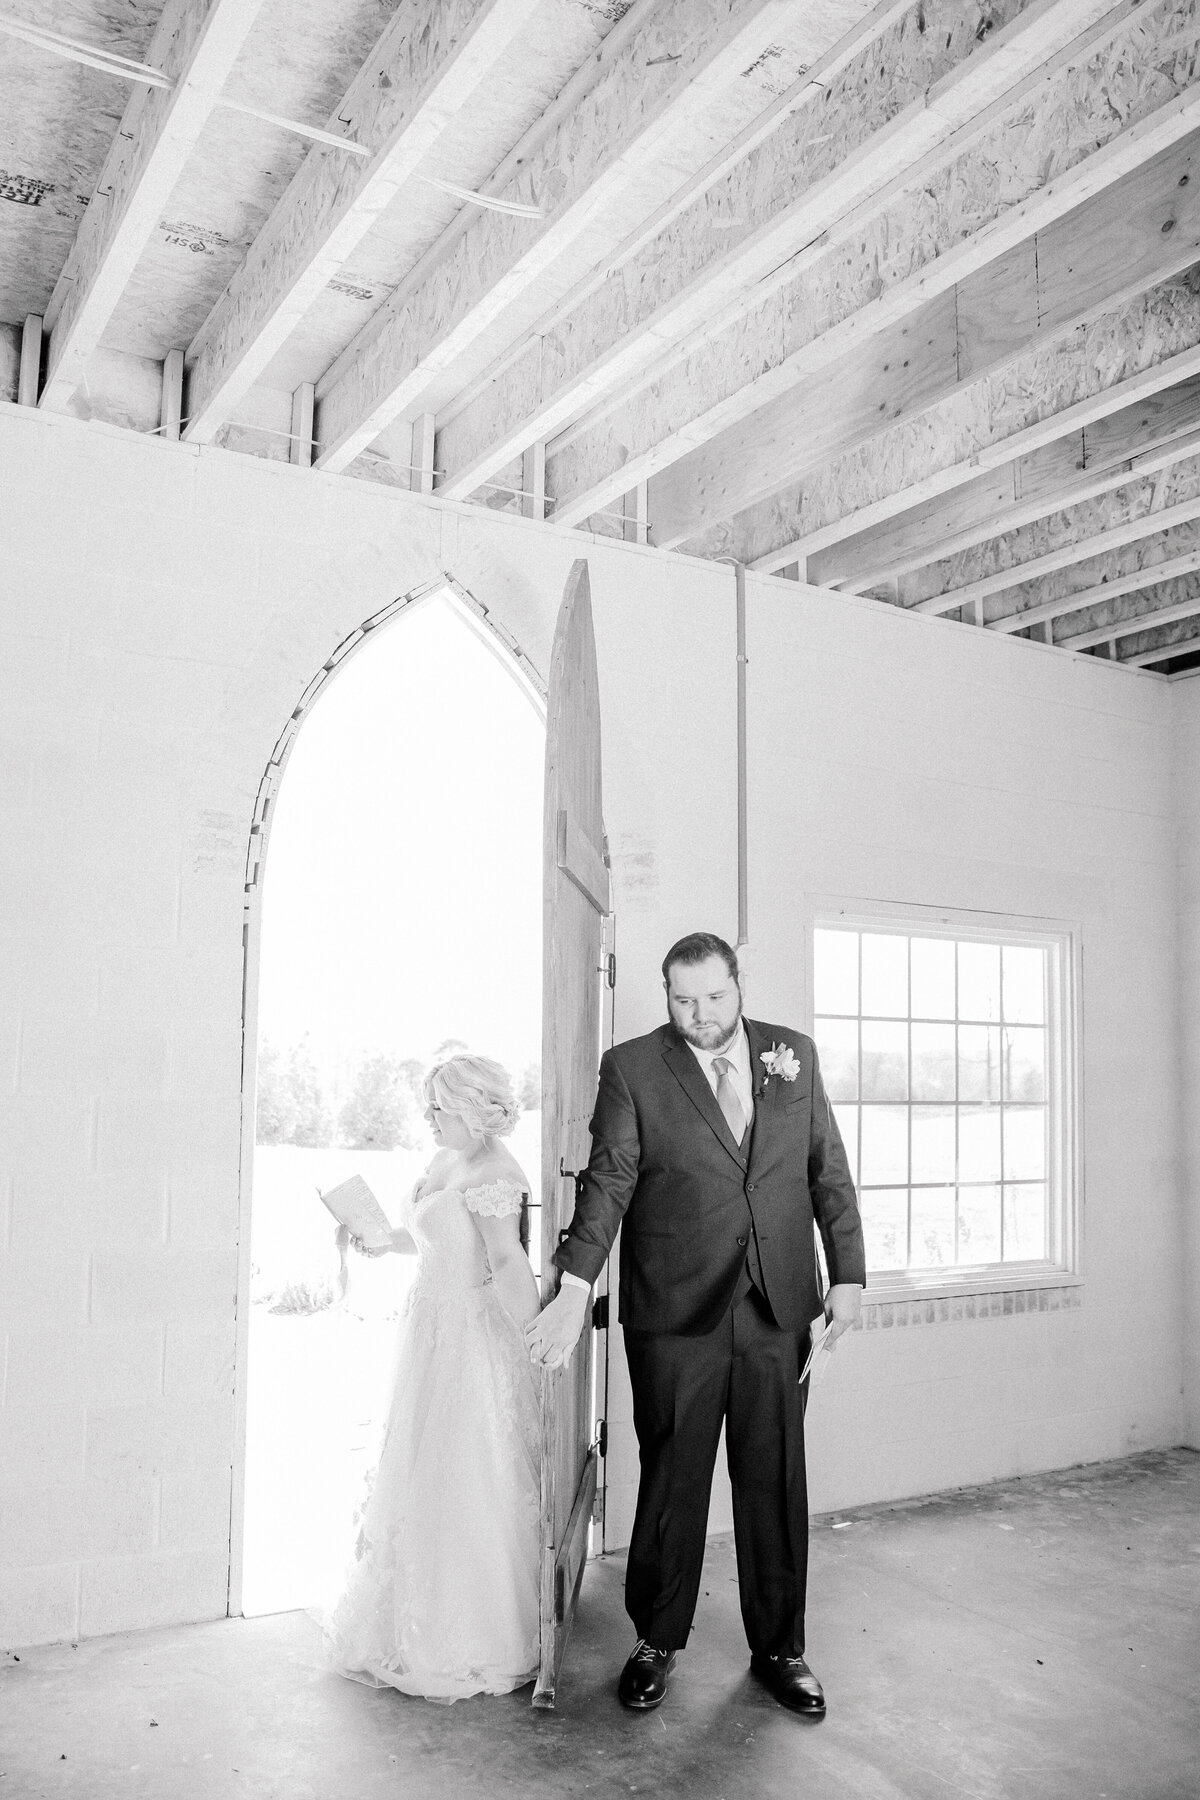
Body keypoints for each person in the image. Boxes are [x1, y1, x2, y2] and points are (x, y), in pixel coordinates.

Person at [525, 933, 865, 1718]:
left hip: (780, 1307)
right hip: (675, 1312)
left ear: (738, 986)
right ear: (666, 994)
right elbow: (609, 1179)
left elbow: (829, 1174)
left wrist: (846, 1278)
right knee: (673, 1481)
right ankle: (657, 1641)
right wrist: (577, 1284)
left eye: (713, 997)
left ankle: (781, 1647)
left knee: (775, 1481)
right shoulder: (635, 1066)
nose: (699, 1015)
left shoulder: (795, 1056)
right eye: (683, 999)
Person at [323, 1053, 542, 1701]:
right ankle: (405, 1619)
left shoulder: (498, 1172)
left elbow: (504, 1262)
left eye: (439, 1109)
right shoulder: (444, 1160)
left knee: (464, 1470)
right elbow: (431, 1240)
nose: (428, 1118)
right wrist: (379, 1240)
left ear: (477, 1111)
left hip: (471, 1339)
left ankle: (470, 1632)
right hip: (427, 1326)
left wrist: (537, 1336)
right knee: (417, 1467)